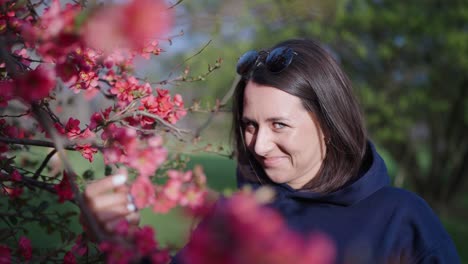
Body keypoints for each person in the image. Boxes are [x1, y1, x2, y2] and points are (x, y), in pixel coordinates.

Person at [84, 38, 460, 263]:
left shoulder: (402, 220)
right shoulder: (234, 216)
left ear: (328, 124)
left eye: (279, 125)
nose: (259, 146)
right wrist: (122, 242)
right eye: (250, 125)